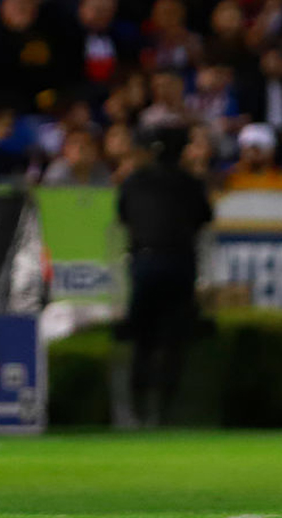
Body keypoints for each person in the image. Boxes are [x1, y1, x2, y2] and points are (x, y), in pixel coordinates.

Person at [117, 124, 213, 427]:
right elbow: (204, 218)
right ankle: (164, 410)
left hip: (145, 263)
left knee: (142, 340)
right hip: (179, 265)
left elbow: (124, 216)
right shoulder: (190, 184)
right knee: (174, 340)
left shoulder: (134, 181)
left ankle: (139, 407)